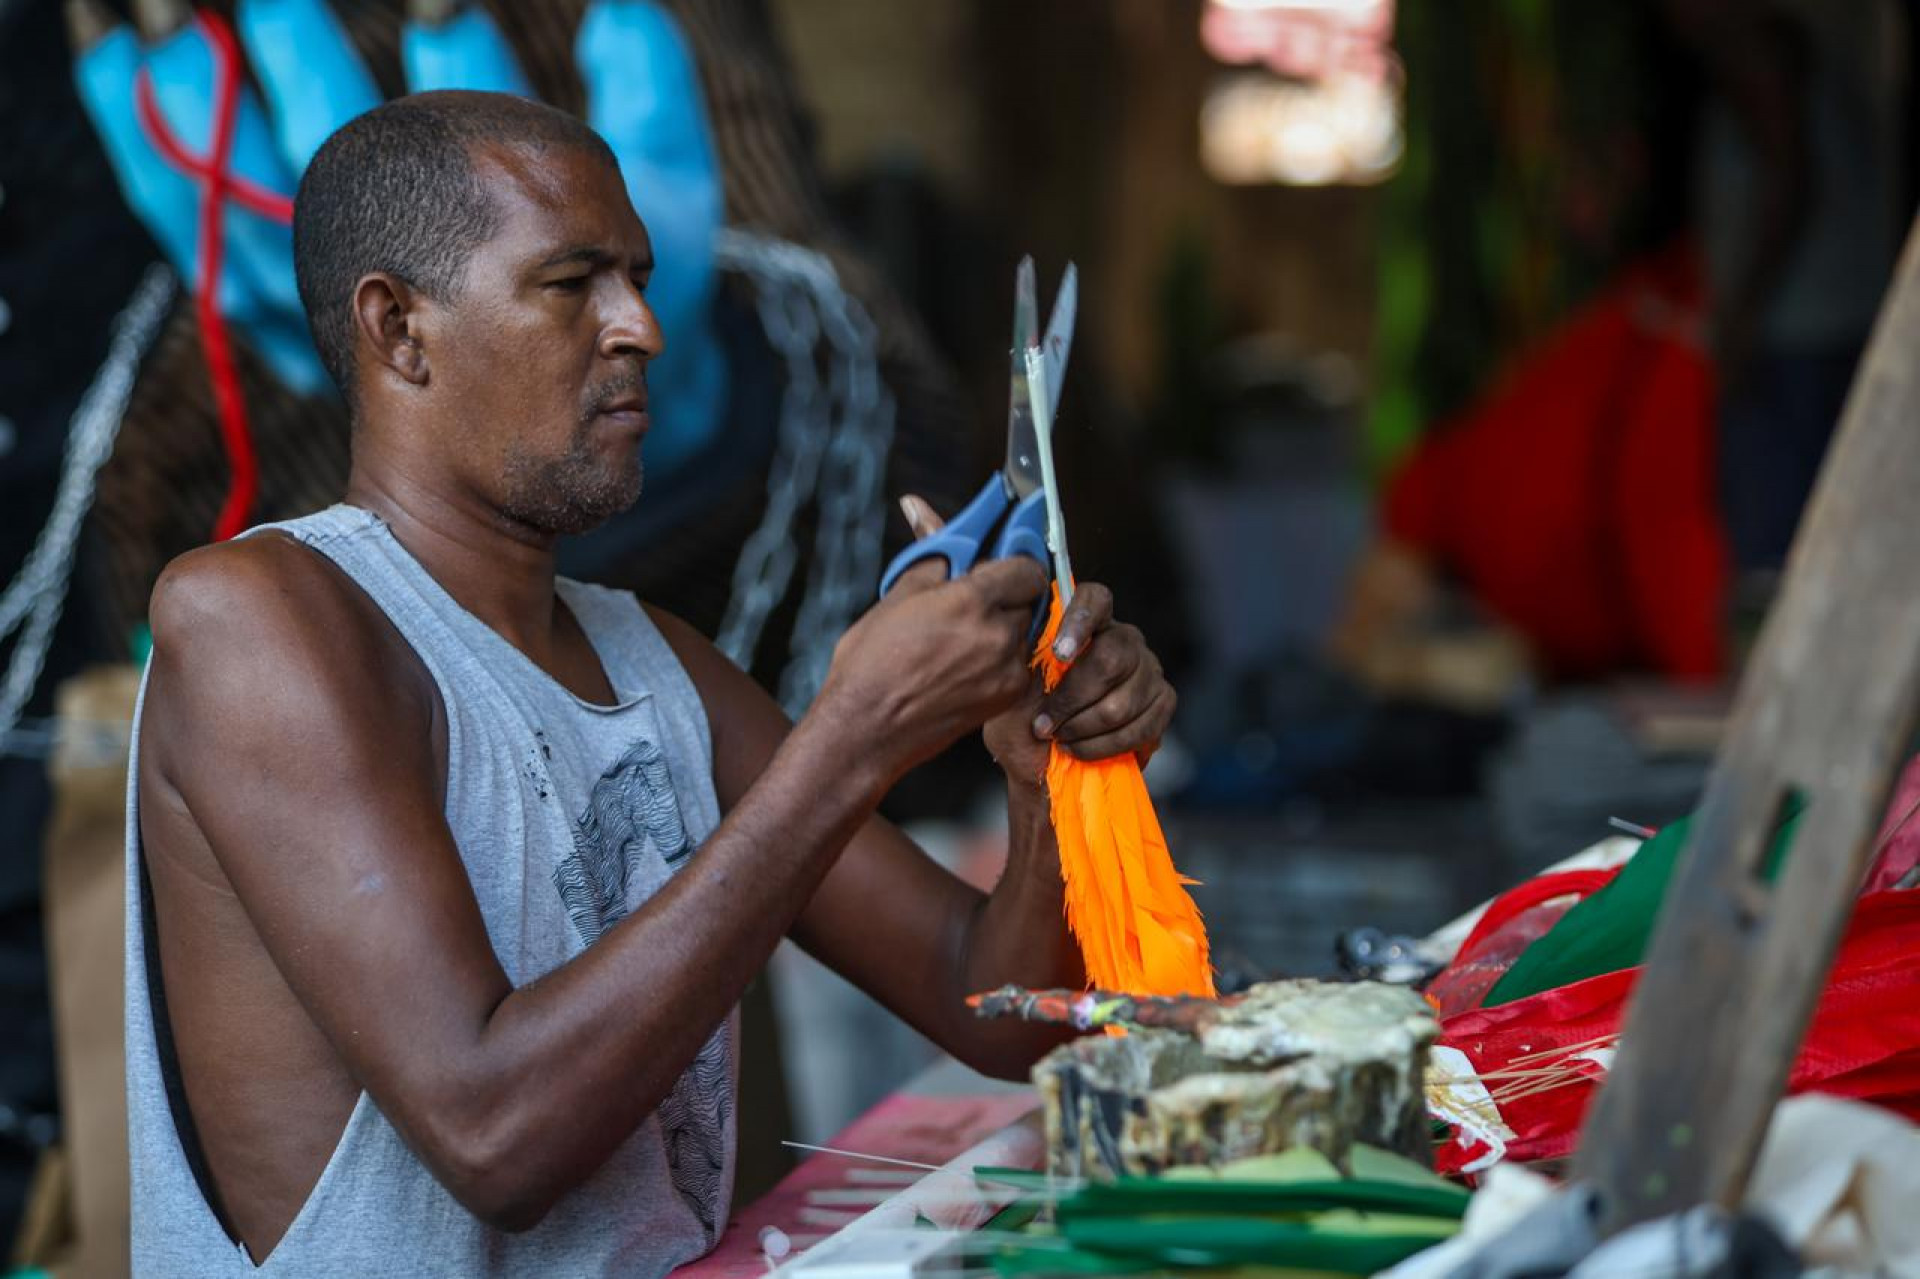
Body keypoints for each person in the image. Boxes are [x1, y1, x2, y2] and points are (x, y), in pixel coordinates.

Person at [127, 91, 1175, 1276]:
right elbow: (495, 1134)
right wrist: (851, 736)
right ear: (400, 329)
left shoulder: (652, 660)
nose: (643, 328)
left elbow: (994, 1004)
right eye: (574, 283)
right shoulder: (257, 618)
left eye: (636, 276)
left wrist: (1041, 777)